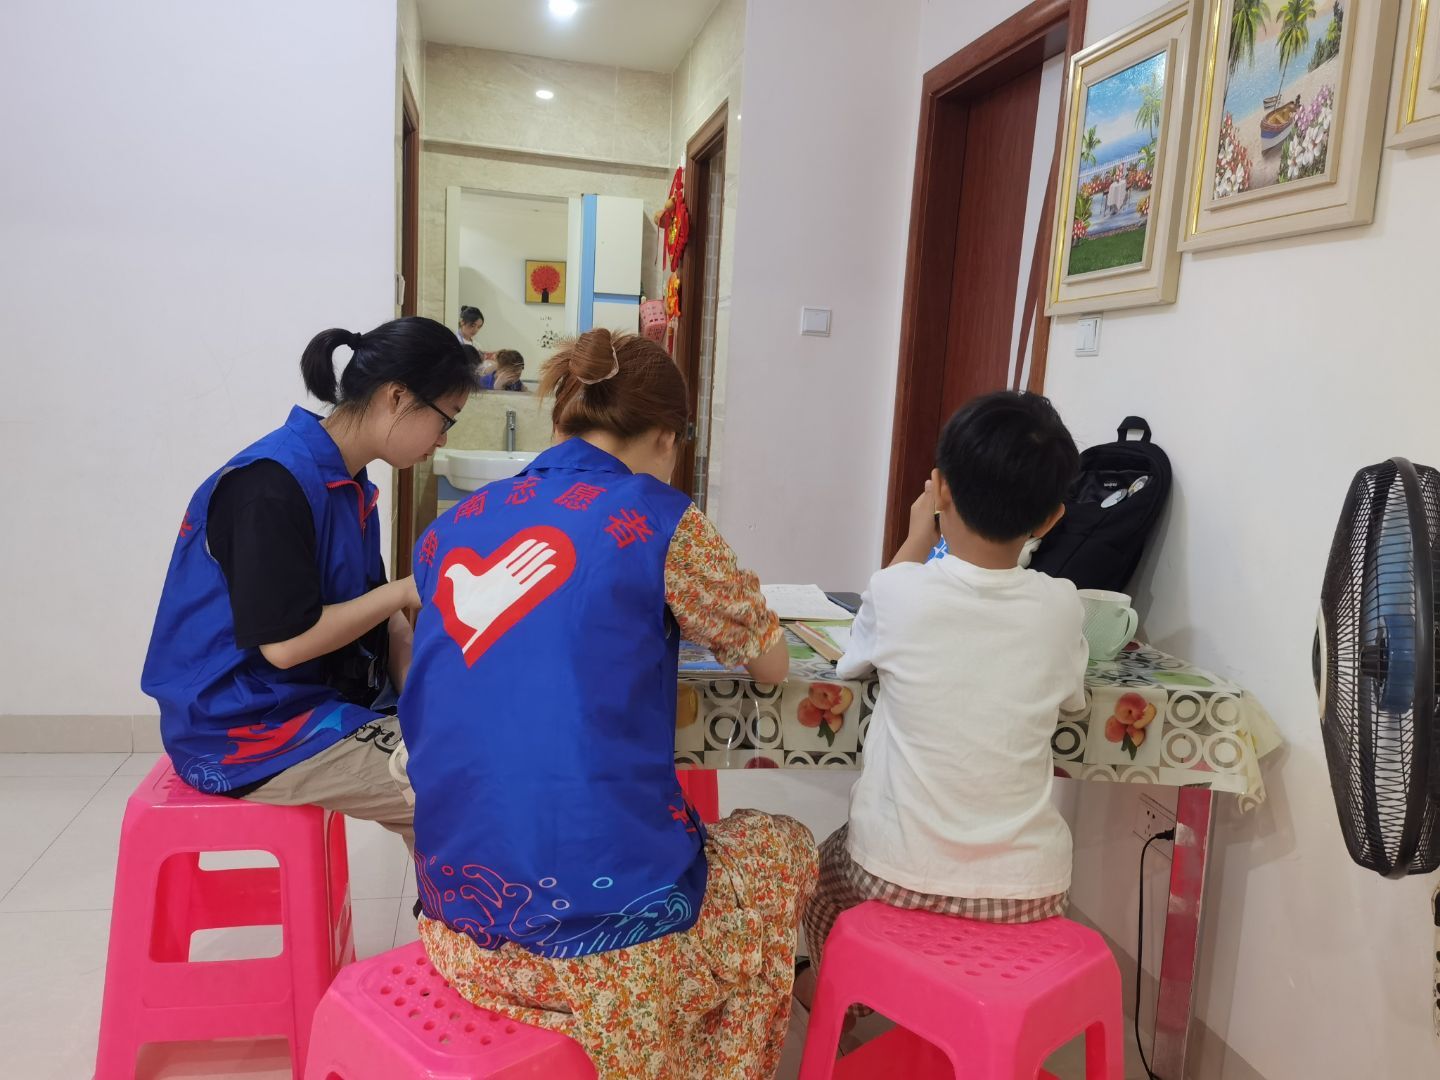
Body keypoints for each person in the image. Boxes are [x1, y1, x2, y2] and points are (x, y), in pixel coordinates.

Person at [399, 328, 817, 1078]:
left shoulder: (450, 527)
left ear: (564, 417)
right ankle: (687, 1055)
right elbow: (770, 662)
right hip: (605, 954)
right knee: (782, 846)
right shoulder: (661, 518)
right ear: (666, 437)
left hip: (458, 932)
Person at [141, 317, 480, 851]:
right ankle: (478, 905)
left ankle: (469, 900)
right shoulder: (268, 485)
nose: (440, 440)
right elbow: (286, 645)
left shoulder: (346, 482)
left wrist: (425, 693)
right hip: (243, 729)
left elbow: (380, 615)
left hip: (309, 703)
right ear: (396, 396)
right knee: (463, 790)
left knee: (475, 753)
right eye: (446, 420)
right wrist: (403, 590)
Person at [797, 391, 1087, 1016]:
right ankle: (972, 1019)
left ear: (942, 490)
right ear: (1050, 520)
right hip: (1030, 892)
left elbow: (853, 659)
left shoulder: (899, 591)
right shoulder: (1062, 604)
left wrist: (914, 535)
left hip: (897, 876)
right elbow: (1072, 696)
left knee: (821, 877)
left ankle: (846, 1007)